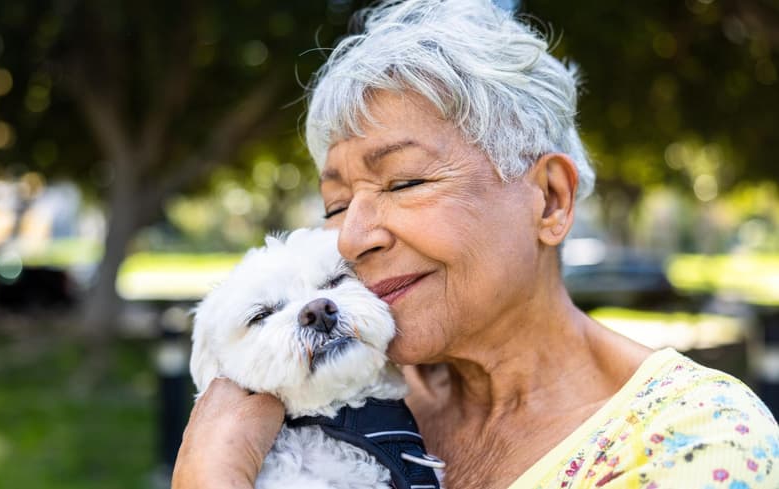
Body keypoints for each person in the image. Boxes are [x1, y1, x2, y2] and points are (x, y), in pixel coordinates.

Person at [172, 0, 779, 487]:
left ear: (550, 200)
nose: (352, 237)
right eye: (336, 204)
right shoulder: (340, 390)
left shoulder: (696, 442)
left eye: (405, 181)